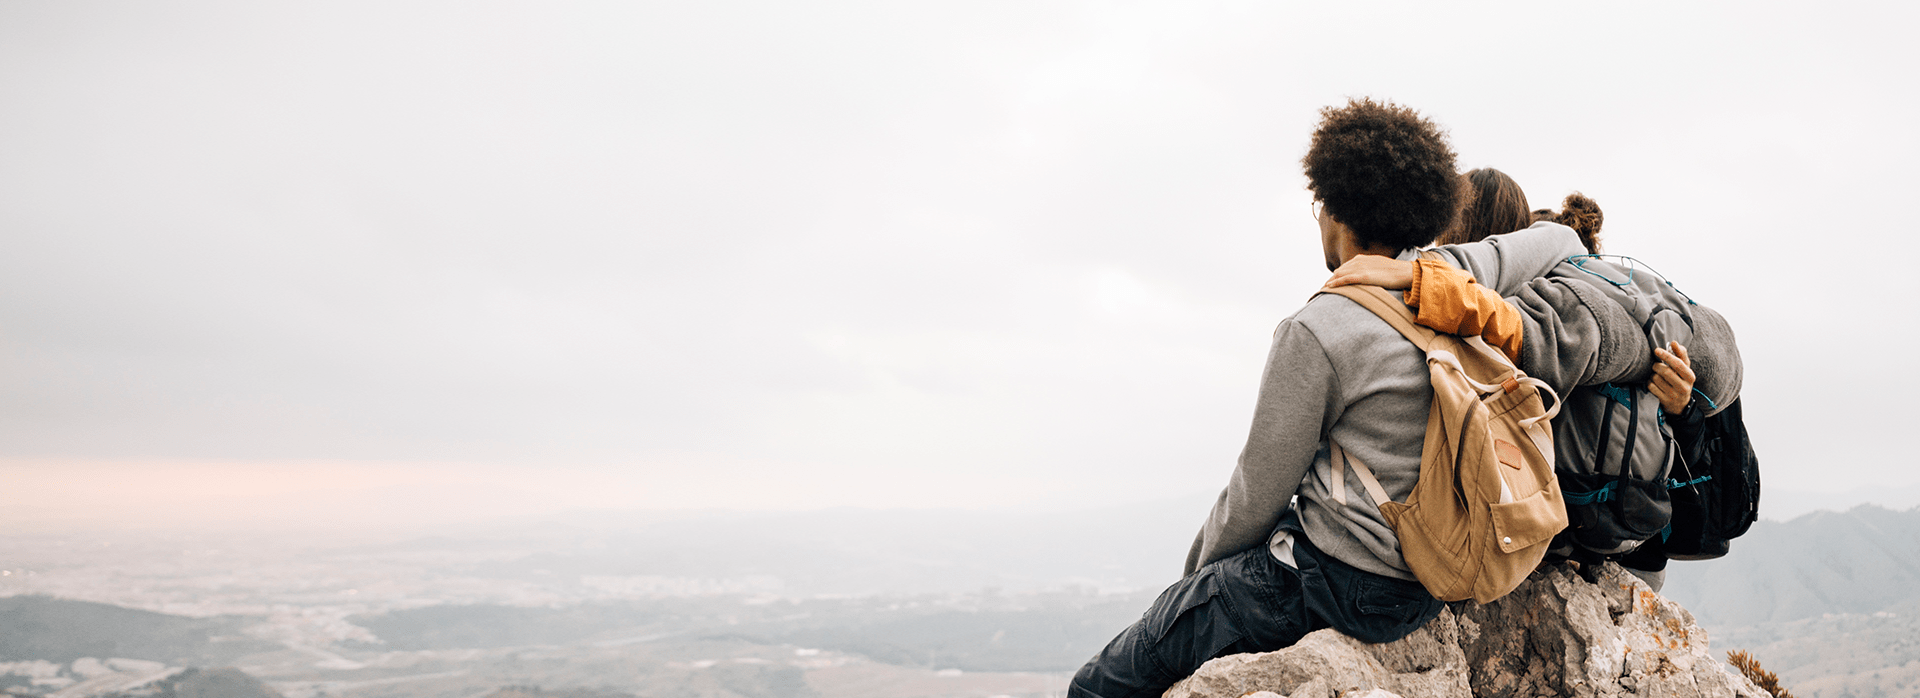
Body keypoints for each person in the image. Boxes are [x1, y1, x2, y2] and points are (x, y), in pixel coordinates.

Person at [1067, 100, 1642, 698]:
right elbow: (1556, 236)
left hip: (1342, 585)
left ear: (1336, 212)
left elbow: (1253, 498)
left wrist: (1194, 590)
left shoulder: (1319, 330)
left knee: (1097, 685)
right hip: (1426, 585)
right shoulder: (1451, 275)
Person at [1326, 172, 1743, 591]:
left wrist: (1427, 282)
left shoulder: (1529, 298)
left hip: (1560, 540)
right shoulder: (1598, 286)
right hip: (1630, 539)